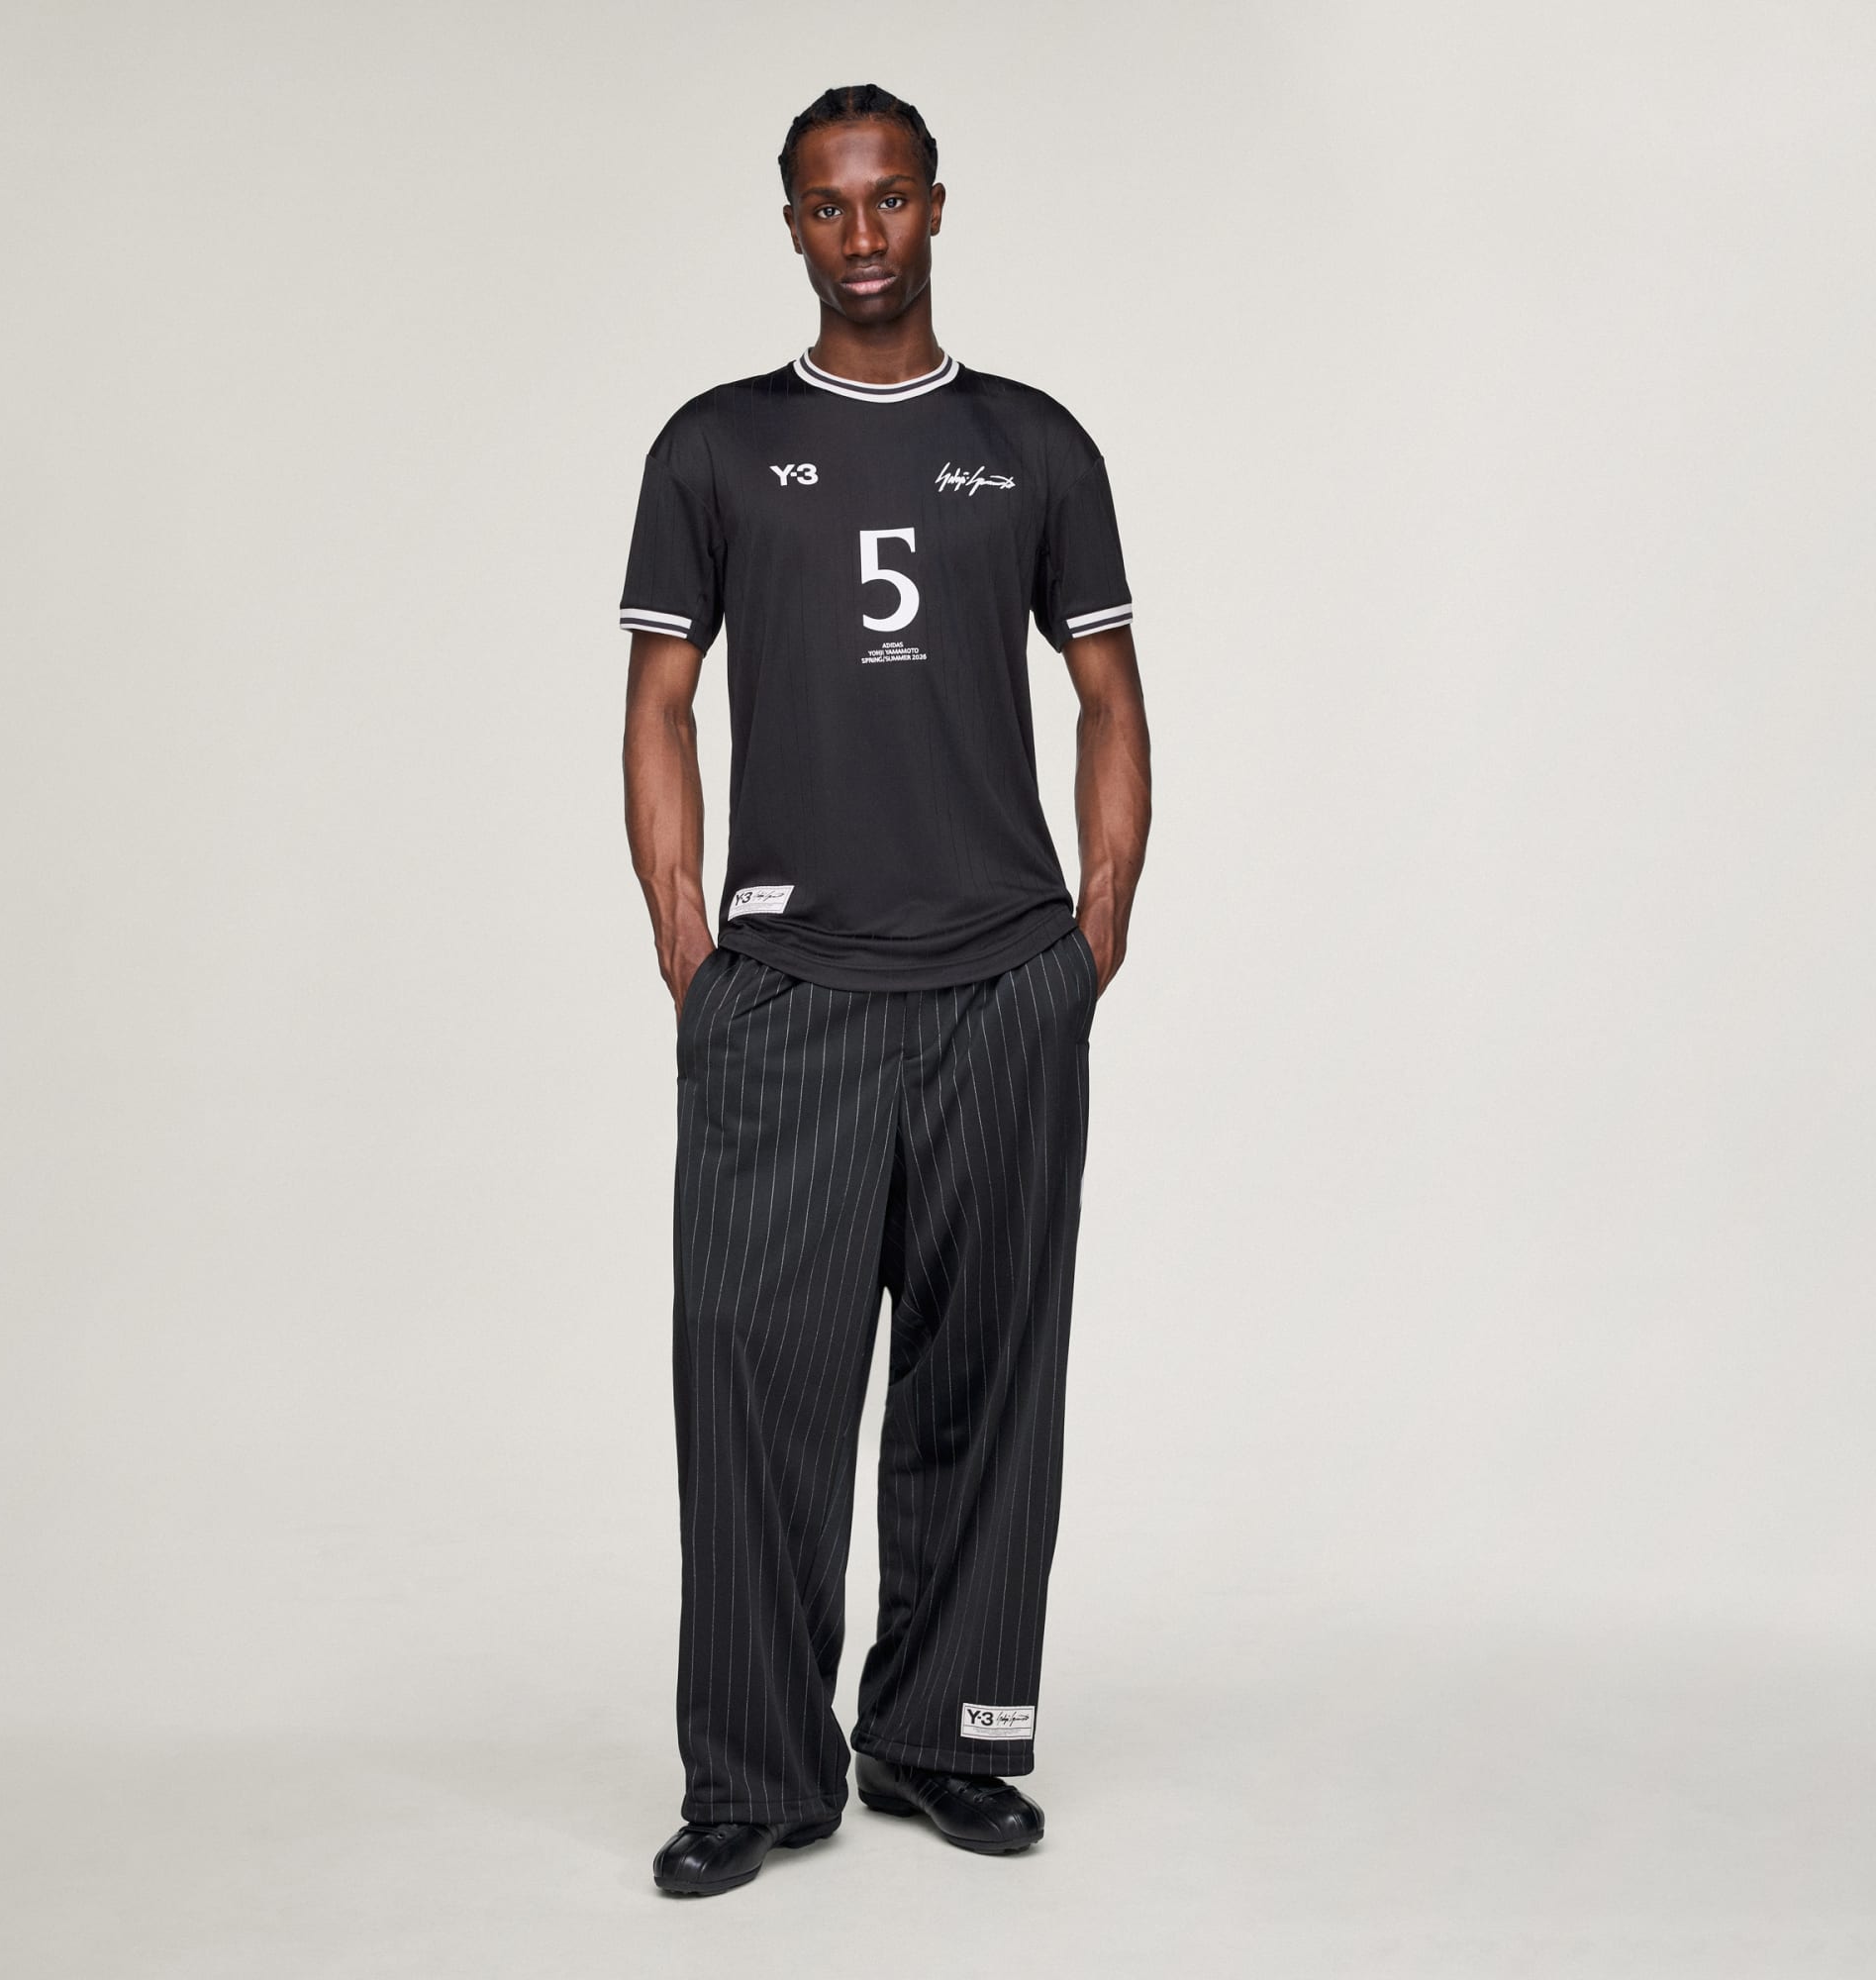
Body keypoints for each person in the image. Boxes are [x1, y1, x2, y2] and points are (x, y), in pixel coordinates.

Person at [620, 82, 1152, 1898]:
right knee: (750, 1381)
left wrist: (1093, 936)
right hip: (788, 992)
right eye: (828, 207)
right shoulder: (713, 447)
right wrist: (693, 955)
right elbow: (660, 705)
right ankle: (754, 1774)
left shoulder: (1035, 444)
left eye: (891, 199)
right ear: (792, 225)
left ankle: (945, 1740)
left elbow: (1108, 694)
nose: (863, 235)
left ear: (936, 206)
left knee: (985, 1383)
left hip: (1003, 987)